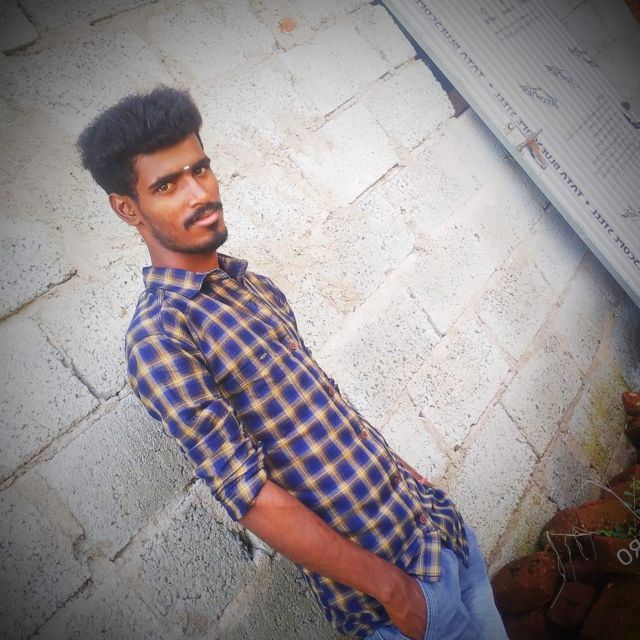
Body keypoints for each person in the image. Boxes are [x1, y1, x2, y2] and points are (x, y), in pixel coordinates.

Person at [77, 86, 507, 640]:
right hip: (397, 599)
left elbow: (322, 409)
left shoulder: (252, 286)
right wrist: (394, 590)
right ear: (127, 208)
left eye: (200, 169)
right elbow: (247, 493)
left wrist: (415, 482)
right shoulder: (161, 336)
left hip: (438, 531)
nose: (199, 193)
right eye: (167, 185)